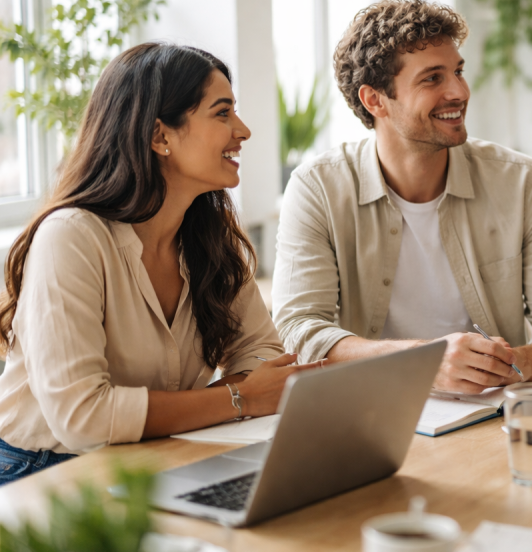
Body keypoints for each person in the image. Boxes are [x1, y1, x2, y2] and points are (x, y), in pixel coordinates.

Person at [0, 43, 320, 486]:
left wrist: (237, 396)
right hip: (44, 474)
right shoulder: (71, 236)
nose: (243, 131)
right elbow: (83, 418)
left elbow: (263, 357)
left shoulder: (212, 234)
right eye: (222, 113)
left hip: (162, 452)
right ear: (160, 137)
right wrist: (239, 397)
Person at [273, 0, 532, 394]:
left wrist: (516, 363)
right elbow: (299, 331)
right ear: (374, 99)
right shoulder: (318, 188)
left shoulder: (521, 181)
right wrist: (423, 361)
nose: (459, 91)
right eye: (433, 78)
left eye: (458, 72)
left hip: (490, 416)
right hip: (371, 410)